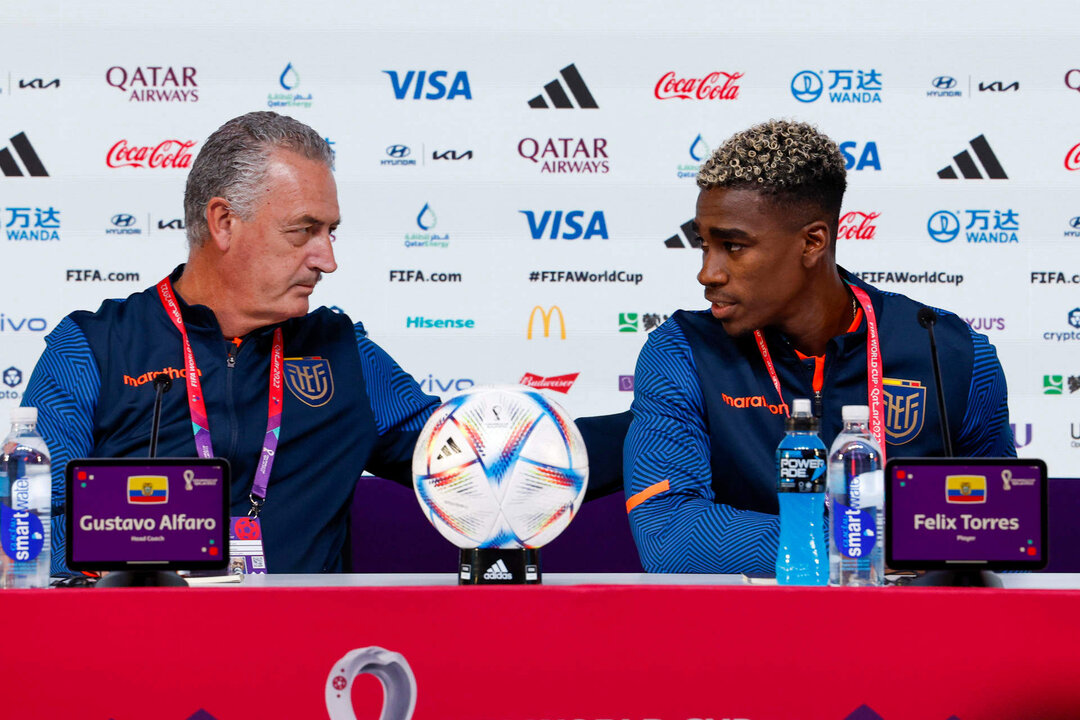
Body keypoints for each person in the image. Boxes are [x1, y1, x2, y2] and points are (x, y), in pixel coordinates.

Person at [24, 111, 440, 574]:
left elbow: (468, 464)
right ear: (223, 222)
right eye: (304, 230)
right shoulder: (92, 349)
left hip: (305, 643)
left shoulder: (346, 356)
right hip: (145, 638)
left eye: (330, 232)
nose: (327, 259)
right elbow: (32, 536)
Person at [623, 120, 1014, 574]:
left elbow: (1002, 542)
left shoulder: (949, 352)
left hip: (907, 636)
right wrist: (871, 544)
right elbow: (669, 536)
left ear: (812, 242)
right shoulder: (681, 351)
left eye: (733, 246)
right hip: (748, 635)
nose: (708, 273)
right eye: (704, 246)